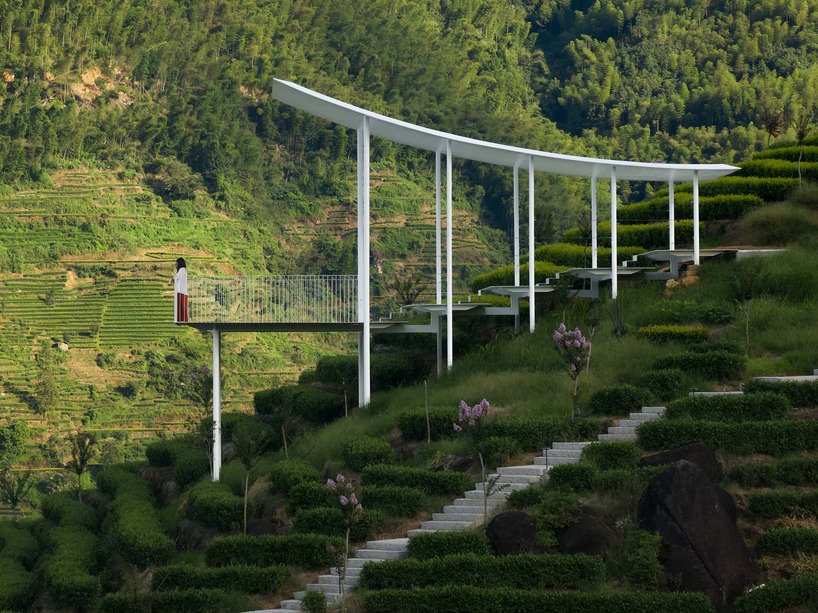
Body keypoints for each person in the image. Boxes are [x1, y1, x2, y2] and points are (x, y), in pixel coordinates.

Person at [173, 258, 188, 323]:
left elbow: (176, 277)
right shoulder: (183, 271)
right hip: (182, 291)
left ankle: (182, 319)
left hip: (181, 291)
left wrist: (172, 279)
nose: (176, 265)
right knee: (182, 306)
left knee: (181, 306)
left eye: (177, 263)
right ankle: (182, 319)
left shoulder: (182, 270)